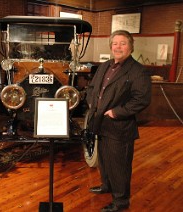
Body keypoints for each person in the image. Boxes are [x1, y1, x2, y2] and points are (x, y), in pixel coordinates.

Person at [86, 30, 151, 212]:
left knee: (119, 165)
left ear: (130, 46)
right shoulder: (105, 65)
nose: (118, 47)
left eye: (123, 43)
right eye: (115, 43)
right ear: (111, 46)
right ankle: (106, 185)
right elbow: (92, 88)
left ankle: (121, 201)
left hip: (119, 126)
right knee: (105, 159)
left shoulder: (138, 71)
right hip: (100, 122)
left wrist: (116, 112)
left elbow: (141, 99)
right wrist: (92, 102)